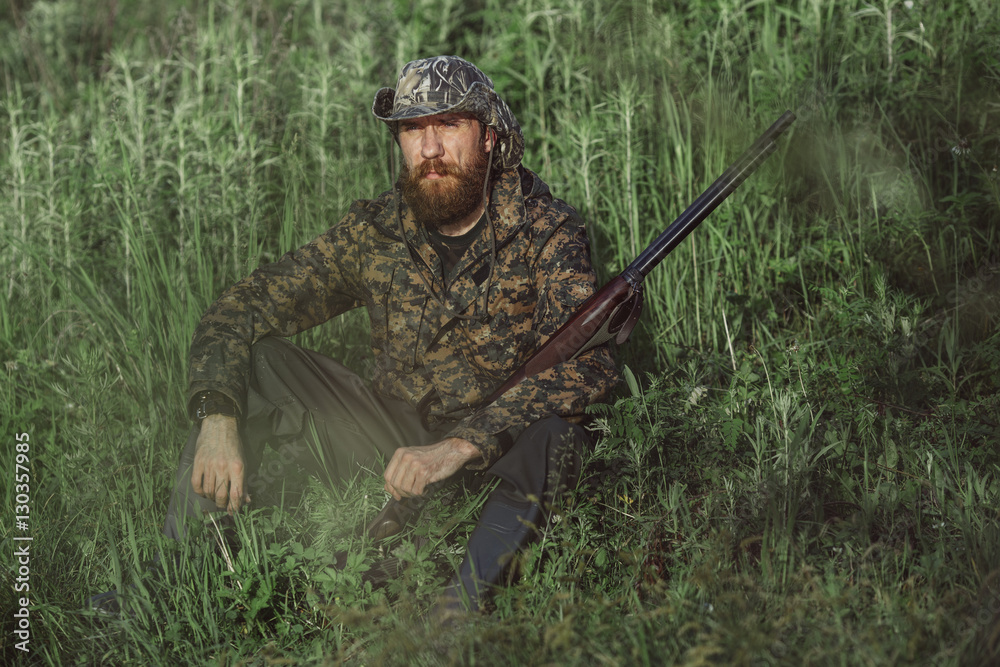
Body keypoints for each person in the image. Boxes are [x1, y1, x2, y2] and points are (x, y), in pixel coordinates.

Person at [97, 55, 619, 614]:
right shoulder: (377, 231)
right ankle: (169, 585)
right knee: (261, 363)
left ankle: (459, 615)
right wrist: (217, 414)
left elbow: (590, 369)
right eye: (413, 129)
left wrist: (463, 444)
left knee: (556, 434)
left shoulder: (547, 231)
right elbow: (242, 307)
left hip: (501, 453)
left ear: (489, 137)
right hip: (391, 446)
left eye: (449, 125)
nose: (430, 148)